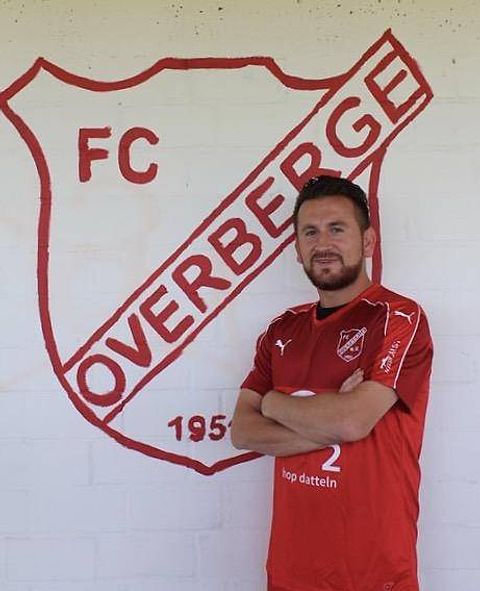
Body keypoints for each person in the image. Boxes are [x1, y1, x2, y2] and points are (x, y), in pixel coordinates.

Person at [231, 175, 433, 591]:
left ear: (368, 241)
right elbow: (243, 431)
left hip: (375, 571)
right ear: (297, 248)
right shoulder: (280, 330)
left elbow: (351, 422)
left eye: (336, 229)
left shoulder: (398, 318)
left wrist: (273, 403)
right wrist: (331, 419)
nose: (322, 243)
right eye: (310, 232)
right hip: (292, 570)